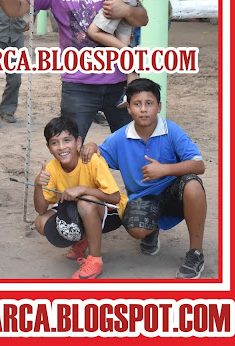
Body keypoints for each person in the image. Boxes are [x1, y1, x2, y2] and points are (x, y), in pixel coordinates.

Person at [0, 0, 148, 142]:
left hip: (120, 84)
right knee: (69, 150)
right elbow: (15, 9)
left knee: (134, 147)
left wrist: (126, 10)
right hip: (78, 86)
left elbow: (143, 18)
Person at [81, 78, 207, 279]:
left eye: (149, 103)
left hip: (174, 193)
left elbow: (199, 165)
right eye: (137, 104)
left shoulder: (171, 130)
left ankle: (196, 252)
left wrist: (164, 169)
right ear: (128, 108)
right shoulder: (120, 137)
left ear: (159, 106)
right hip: (143, 197)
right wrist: (92, 146)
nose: (143, 109)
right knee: (137, 229)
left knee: (193, 185)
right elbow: (98, 159)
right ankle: (152, 229)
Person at [34, 116, 126, 280]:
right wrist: (38, 185)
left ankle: (95, 260)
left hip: (110, 212)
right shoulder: (52, 168)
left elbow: (115, 197)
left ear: (78, 142)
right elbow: (41, 210)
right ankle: (82, 239)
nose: (61, 147)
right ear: (49, 148)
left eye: (67, 140)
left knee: (85, 202)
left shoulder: (92, 160)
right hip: (78, 211)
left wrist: (83, 189)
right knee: (41, 222)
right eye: (55, 143)